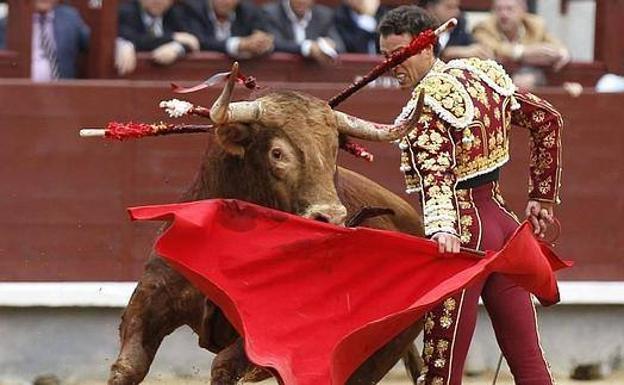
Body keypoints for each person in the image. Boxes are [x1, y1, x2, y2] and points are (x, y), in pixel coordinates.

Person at [378, 6, 562, 385]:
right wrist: (541, 196)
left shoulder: (425, 106)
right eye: (384, 56)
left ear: (426, 48)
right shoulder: (481, 75)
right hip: (504, 228)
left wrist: (443, 229)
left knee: (439, 373)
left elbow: (436, 176)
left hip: (462, 242)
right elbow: (548, 120)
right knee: (529, 361)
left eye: (398, 55)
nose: (390, 66)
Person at [473, 0, 570, 90]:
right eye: (499, 9)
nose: (503, 14)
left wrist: (561, 52)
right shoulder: (483, 27)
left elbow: (556, 46)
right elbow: (494, 48)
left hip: (529, 76)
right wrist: (523, 52)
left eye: (509, 9)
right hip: (495, 78)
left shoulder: (535, 25)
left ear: (523, 10)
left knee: (527, 80)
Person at [116, 0, 200, 73]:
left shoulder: (175, 13)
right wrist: (173, 37)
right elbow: (136, 39)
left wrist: (177, 48)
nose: (158, 1)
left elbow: (192, 41)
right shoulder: (126, 12)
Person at [180, 0, 274, 59]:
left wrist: (261, 43)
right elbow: (199, 40)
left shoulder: (248, 10)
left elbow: (265, 35)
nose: (226, 1)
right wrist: (239, 45)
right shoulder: (192, 8)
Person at [263, 0, 344, 64]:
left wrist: (329, 45)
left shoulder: (324, 15)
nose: (302, 1)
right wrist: (307, 47)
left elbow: (340, 46)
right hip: (281, 72)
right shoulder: (271, 13)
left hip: (313, 75)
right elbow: (275, 43)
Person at [30, 0, 90, 81]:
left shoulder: (70, 18)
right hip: (22, 89)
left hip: (62, 89)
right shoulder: (12, 22)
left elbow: (91, 44)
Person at [419, 0, 493, 61]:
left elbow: (472, 46)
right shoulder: (418, 30)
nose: (456, 12)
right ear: (430, 8)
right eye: (449, 7)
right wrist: (449, 53)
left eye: (457, 7)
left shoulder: (459, 28)